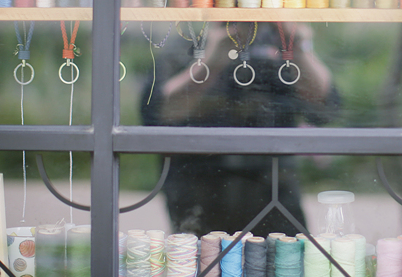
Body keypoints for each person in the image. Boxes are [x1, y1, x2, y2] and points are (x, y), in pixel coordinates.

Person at [141, 21, 339, 236]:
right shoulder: (190, 43)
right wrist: (210, 62)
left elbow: (325, 110)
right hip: (199, 191)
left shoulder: (281, 44)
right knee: (204, 256)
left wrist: (297, 47)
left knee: (282, 255)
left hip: (274, 194)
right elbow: (157, 114)